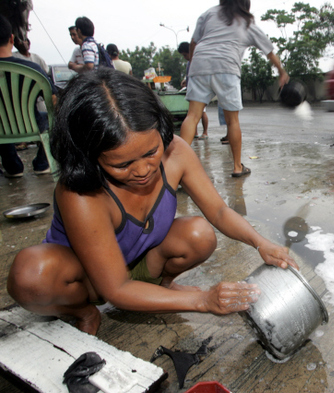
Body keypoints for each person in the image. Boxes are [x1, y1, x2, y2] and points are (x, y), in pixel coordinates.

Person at [6, 68, 297, 336]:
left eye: (150, 152)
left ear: (161, 131)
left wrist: (262, 243)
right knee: (30, 275)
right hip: (88, 281)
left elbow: (219, 211)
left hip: (137, 264)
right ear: (89, 155)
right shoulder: (80, 193)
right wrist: (201, 300)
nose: (143, 170)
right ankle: (83, 312)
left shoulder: (176, 152)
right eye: (122, 165)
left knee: (199, 234)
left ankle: (160, 289)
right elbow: (116, 288)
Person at [179, 0, 289, 177]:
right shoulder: (246, 21)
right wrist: (282, 72)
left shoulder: (208, 14)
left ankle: (177, 167)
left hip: (200, 64)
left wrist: (192, 67)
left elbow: (193, 43)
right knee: (233, 121)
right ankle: (237, 166)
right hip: (226, 66)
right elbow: (269, 51)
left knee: (192, 116)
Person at [0, 15, 56, 177]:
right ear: (12, 38)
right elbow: (54, 100)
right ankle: (42, 163)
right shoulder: (31, 68)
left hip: (1, 127)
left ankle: (13, 167)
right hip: (31, 123)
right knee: (54, 117)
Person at [177, 41, 208, 139]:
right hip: (193, 91)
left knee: (201, 114)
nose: (185, 57)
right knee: (193, 115)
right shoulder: (189, 63)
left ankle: (205, 132)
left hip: (200, 91)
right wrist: (186, 81)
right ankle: (194, 133)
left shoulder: (197, 61)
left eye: (185, 54)